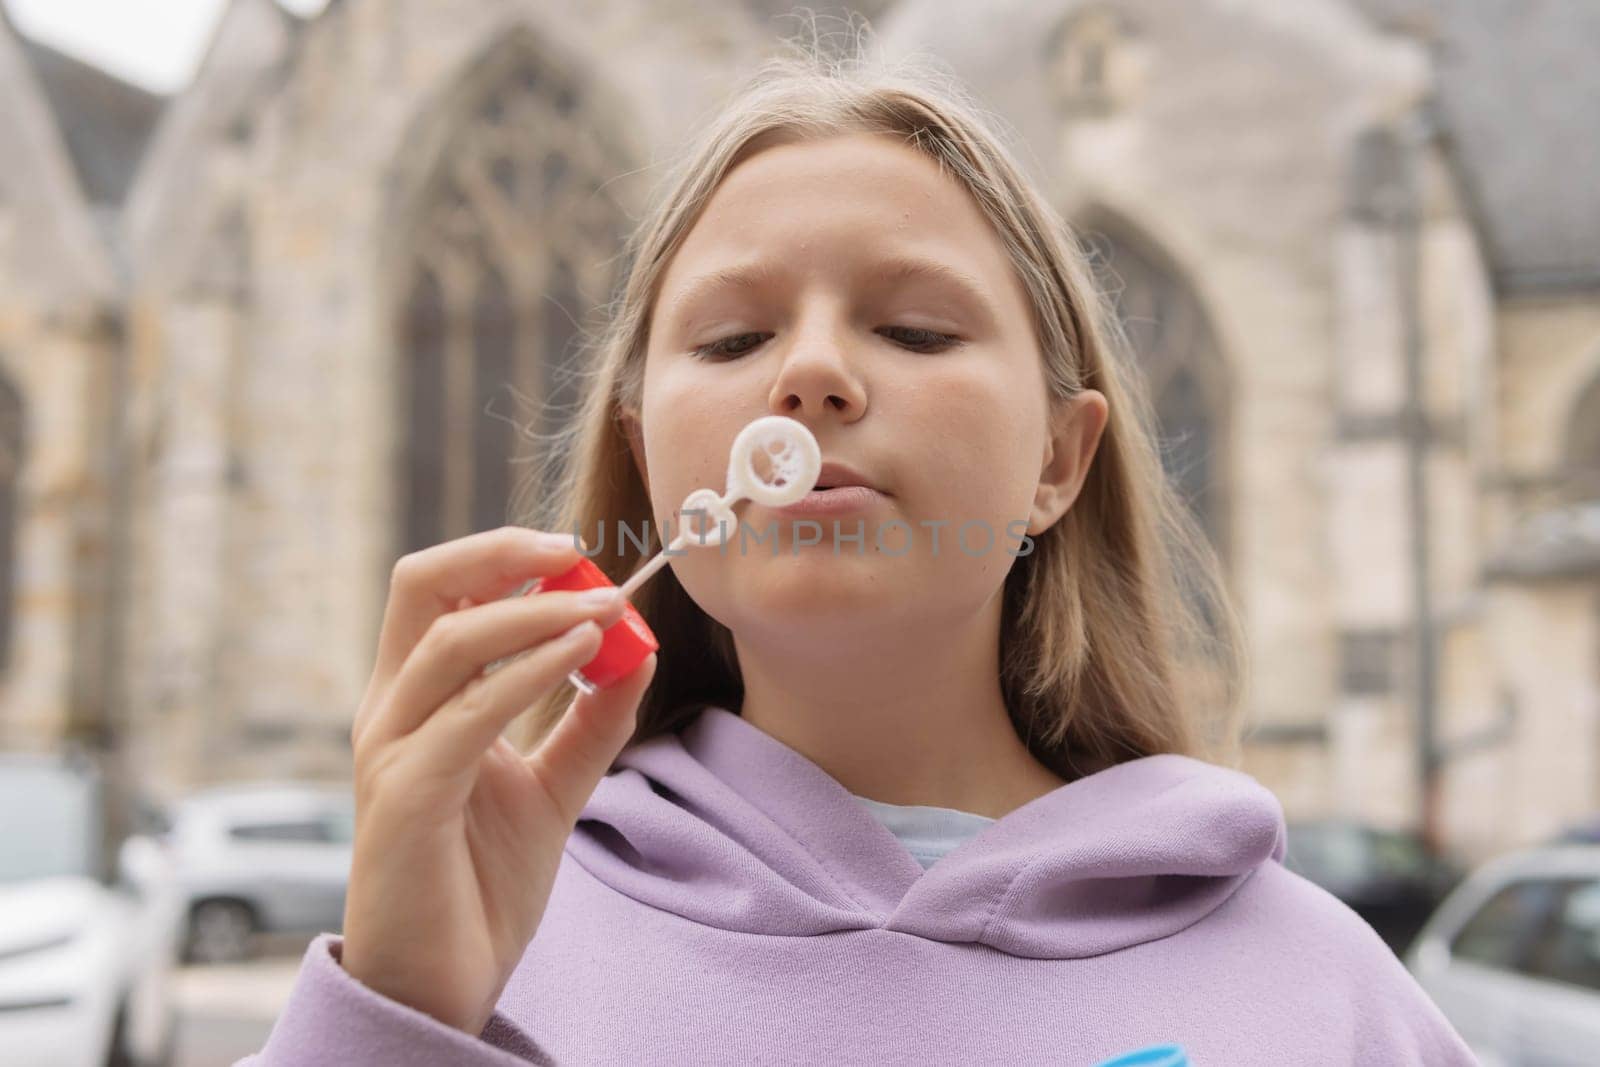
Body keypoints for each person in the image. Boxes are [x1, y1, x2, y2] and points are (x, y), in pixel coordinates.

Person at [240, 34, 1477, 1067]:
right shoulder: (464, 951)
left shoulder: (1322, 997)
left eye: (915, 327)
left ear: (1056, 459)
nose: (811, 373)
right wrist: (396, 1016)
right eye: (731, 340)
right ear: (650, 454)